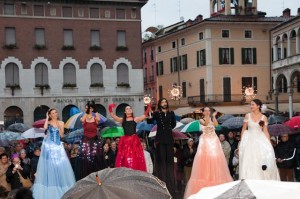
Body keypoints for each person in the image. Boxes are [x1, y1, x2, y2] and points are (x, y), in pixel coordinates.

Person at [184, 107, 232, 199]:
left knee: (215, 160)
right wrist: (207, 116)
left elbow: (217, 125)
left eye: (208, 110)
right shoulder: (201, 120)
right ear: (202, 112)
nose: (207, 112)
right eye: (205, 110)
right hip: (205, 141)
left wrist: (214, 117)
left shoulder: (211, 118)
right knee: (204, 160)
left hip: (214, 141)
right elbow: (206, 124)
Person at [32, 108, 75, 199]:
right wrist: (47, 118)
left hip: (58, 146)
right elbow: (44, 128)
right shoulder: (48, 122)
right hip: (48, 146)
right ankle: (50, 186)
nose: (55, 114)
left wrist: (59, 126)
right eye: (53, 113)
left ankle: (59, 184)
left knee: (60, 165)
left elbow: (62, 135)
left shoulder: (62, 122)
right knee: (49, 165)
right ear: (50, 115)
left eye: (56, 112)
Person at [239, 99, 280, 180]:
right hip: (249, 140)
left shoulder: (263, 117)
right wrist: (242, 140)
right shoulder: (248, 115)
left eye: (253, 104)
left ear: (258, 106)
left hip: (260, 140)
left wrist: (269, 144)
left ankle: (261, 179)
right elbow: (243, 129)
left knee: (261, 159)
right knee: (249, 159)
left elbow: (265, 131)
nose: (251, 106)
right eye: (250, 104)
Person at [147, 98, 177, 197]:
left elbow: (173, 124)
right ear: (160, 104)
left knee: (169, 162)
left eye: (165, 102)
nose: (164, 103)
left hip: (169, 139)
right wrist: (150, 113)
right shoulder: (157, 114)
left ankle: (171, 185)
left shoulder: (171, 113)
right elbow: (149, 121)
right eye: (162, 102)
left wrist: (167, 130)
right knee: (162, 161)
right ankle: (162, 182)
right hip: (160, 139)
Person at [109, 103, 151, 171]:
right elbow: (114, 117)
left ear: (132, 110)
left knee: (135, 157)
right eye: (127, 109)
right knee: (125, 157)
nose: (128, 109)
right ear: (125, 112)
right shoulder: (122, 120)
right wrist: (110, 109)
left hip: (134, 141)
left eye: (130, 108)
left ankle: (135, 170)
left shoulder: (135, 119)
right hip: (125, 141)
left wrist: (148, 108)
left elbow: (144, 116)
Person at [77, 101, 102, 180]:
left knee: (96, 157)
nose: (89, 109)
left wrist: (95, 110)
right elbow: (82, 120)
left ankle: (97, 177)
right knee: (86, 158)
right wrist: (87, 111)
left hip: (94, 140)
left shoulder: (95, 118)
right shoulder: (83, 118)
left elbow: (98, 118)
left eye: (90, 108)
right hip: (86, 141)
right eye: (87, 108)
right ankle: (86, 177)